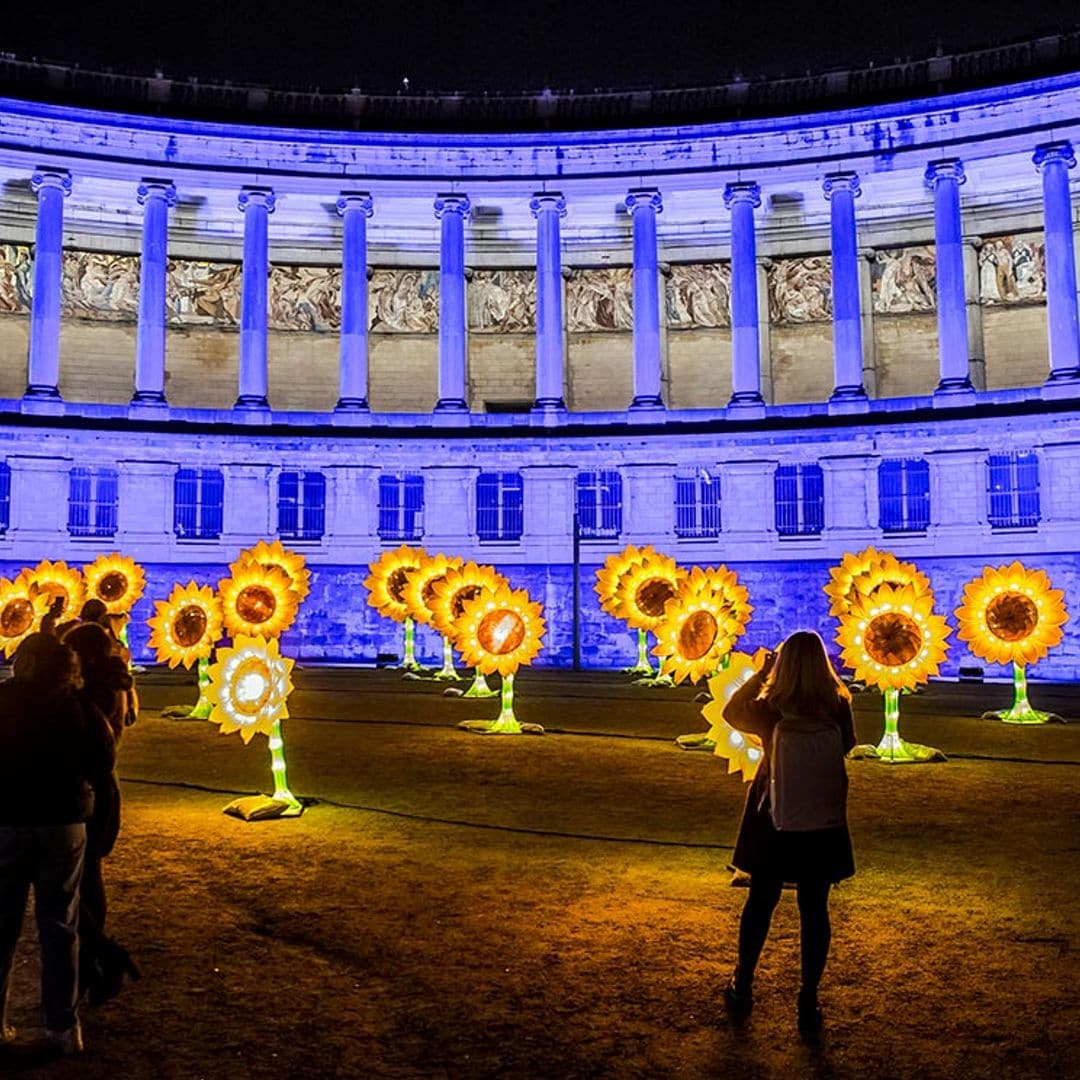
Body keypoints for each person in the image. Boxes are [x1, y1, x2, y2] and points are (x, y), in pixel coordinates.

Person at [721, 630, 856, 1037]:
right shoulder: (837, 705)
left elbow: (731, 712)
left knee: (762, 901)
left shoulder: (771, 708)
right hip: (820, 817)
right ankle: (808, 997)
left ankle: (743, 985)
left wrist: (760, 674)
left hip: (772, 816)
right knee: (815, 909)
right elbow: (847, 745)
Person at [0, 634, 114, 1056]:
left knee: (2, 925)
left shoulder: (4, 701)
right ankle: (62, 1028)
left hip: (8, 820)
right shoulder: (78, 707)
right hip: (63, 822)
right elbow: (103, 760)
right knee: (60, 926)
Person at [62, 624, 140, 1005]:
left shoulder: (94, 693)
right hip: (101, 786)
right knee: (85, 879)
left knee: (75, 883)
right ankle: (95, 958)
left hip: (91, 789)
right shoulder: (108, 683)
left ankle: (103, 954)